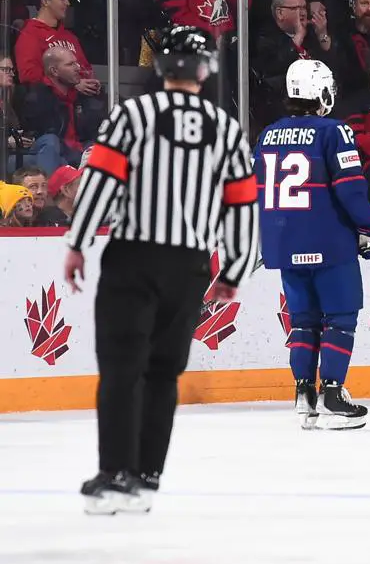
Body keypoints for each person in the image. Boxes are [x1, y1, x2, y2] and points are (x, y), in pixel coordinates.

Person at [64, 26, 260, 514]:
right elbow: (241, 207)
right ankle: (147, 477)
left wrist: (78, 241)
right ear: (204, 70)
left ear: (161, 66)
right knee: (163, 373)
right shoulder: (226, 128)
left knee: (121, 368)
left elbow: (101, 183)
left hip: (133, 256)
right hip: (190, 264)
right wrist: (234, 268)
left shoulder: (132, 114)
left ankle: (115, 476)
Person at [253, 59, 370, 431]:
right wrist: (369, 226)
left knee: (304, 321)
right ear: (323, 93)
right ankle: (332, 392)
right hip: (328, 240)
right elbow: (350, 187)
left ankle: (303, 394)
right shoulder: (334, 131)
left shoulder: (268, 134)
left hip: (283, 241)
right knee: (339, 319)